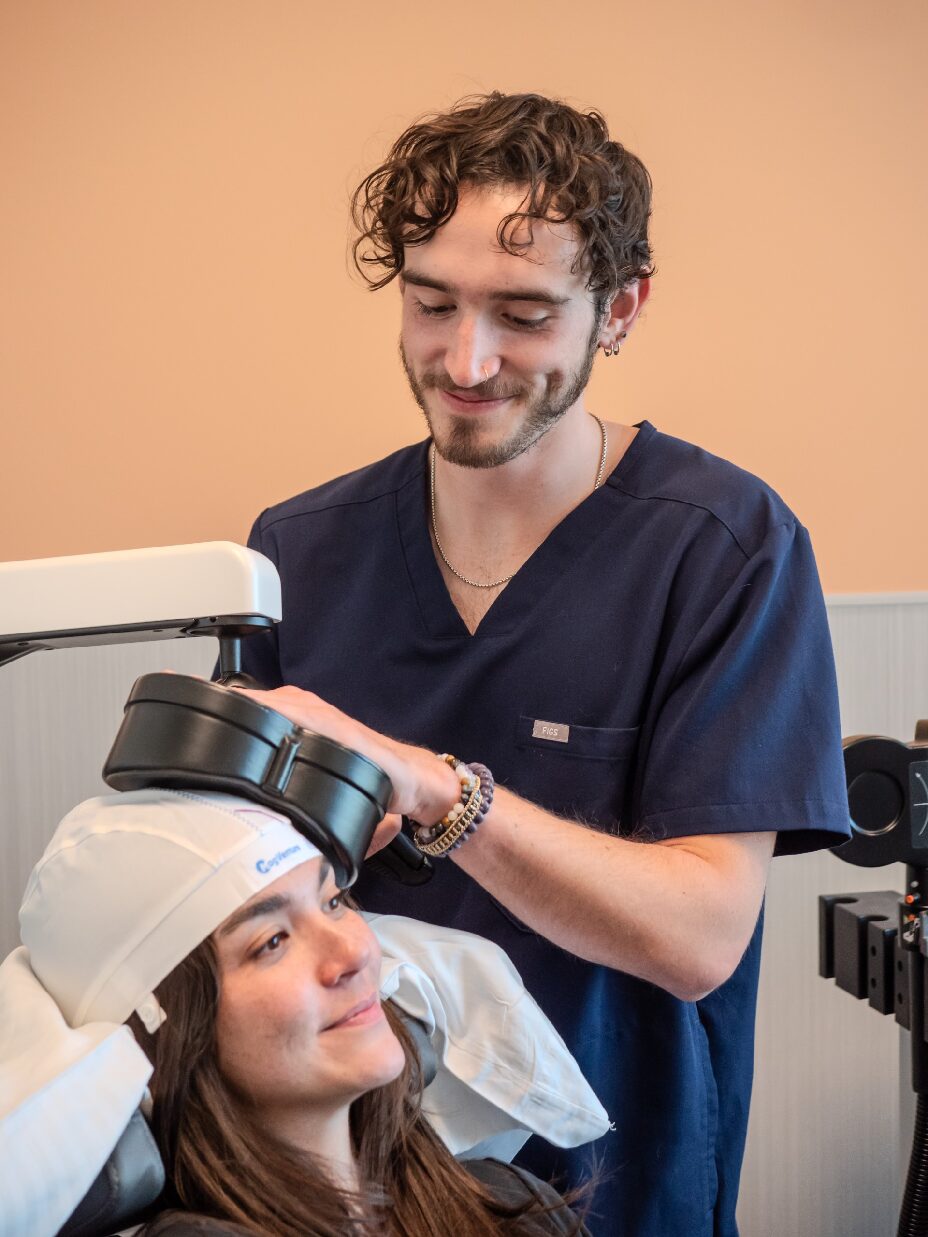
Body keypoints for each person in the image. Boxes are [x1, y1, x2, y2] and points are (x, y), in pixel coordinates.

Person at [235, 92, 852, 1235]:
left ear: (620, 308)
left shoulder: (722, 548)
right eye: (432, 304)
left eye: (523, 315)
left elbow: (699, 937)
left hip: (617, 1185)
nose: (465, 359)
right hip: (353, 1188)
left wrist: (439, 792)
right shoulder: (298, 550)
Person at [13, 788, 595, 1236]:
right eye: (273, 941)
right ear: (165, 1031)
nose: (356, 954)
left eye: (334, 901)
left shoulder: (507, 1202)